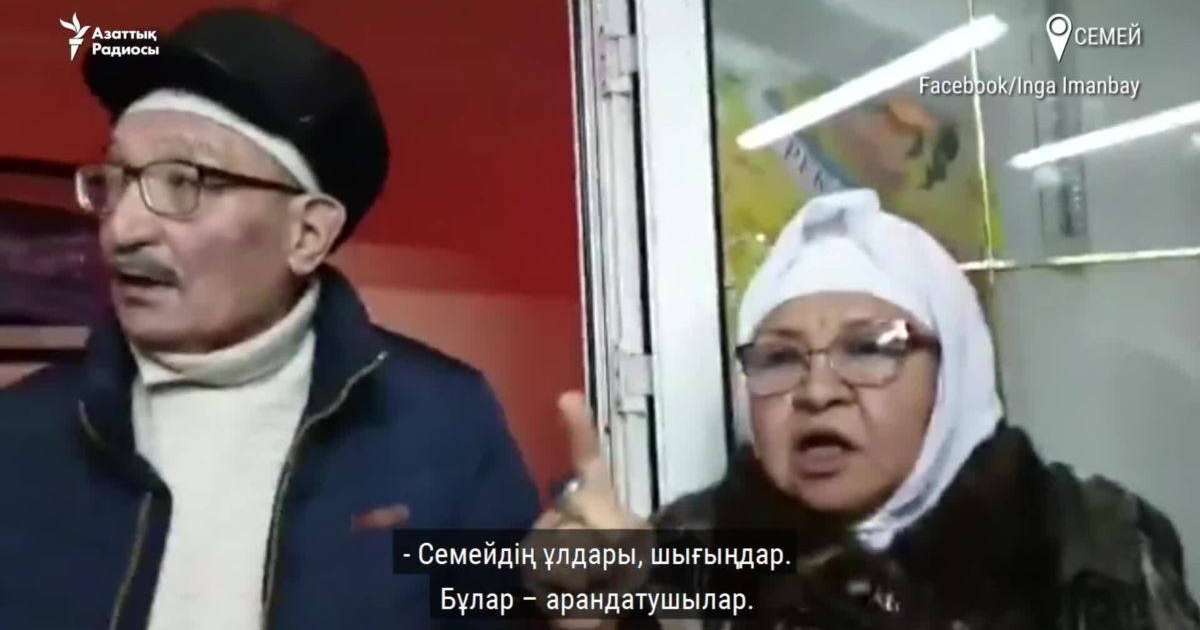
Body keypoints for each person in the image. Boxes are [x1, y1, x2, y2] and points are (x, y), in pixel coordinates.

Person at [0, 9, 538, 629]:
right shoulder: (19, 437)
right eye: (118, 180)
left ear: (307, 234)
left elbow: (516, 606)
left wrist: (599, 607)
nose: (122, 229)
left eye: (184, 182)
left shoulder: (441, 422)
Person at [532, 189, 1200, 629]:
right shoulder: (685, 557)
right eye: (780, 357)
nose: (817, 391)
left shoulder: (1094, 543)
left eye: (870, 348)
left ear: (955, 373)